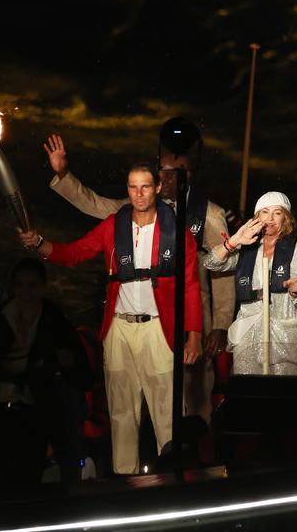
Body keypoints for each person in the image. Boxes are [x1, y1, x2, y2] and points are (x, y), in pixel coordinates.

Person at [42, 125, 234, 426]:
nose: (167, 178)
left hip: (193, 319)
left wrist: (220, 325)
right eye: (163, 171)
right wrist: (65, 175)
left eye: (175, 172)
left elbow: (223, 273)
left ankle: (196, 462)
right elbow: (95, 204)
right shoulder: (134, 211)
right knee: (147, 406)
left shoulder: (208, 214)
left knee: (194, 403)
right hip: (147, 321)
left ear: (189, 173)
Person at [18, 163, 203, 475]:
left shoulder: (178, 232)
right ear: (127, 190)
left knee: (167, 410)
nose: (139, 193)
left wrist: (194, 334)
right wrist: (39, 244)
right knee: (120, 410)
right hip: (119, 326)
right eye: (133, 187)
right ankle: (123, 479)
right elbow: (75, 253)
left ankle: (173, 478)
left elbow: (191, 284)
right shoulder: (113, 227)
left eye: (145, 186)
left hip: (158, 327)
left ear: (157, 188)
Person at [0, 257, 93, 484]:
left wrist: (63, 364)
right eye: (21, 286)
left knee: (28, 471)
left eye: (32, 286)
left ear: (43, 287)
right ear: (14, 288)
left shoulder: (53, 320)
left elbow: (78, 369)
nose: (26, 292)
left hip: (34, 406)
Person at [204, 191, 297, 376]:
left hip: (282, 331)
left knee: (282, 394)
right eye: (264, 212)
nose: (270, 218)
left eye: (277, 212)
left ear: (286, 218)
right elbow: (211, 263)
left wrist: (295, 291)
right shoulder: (247, 248)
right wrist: (235, 240)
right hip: (248, 330)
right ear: (257, 217)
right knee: (248, 391)